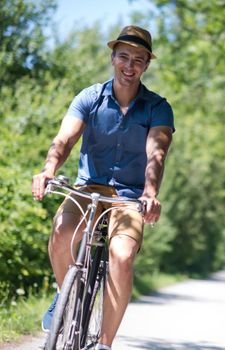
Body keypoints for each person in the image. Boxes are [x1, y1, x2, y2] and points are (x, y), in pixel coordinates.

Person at [31, 25, 174, 350]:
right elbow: (65, 140)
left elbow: (157, 153)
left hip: (130, 198)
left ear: (146, 65)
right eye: (123, 56)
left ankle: (104, 345)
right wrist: (48, 170)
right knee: (62, 231)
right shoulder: (90, 98)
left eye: (138, 59)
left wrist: (150, 192)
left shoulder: (157, 107)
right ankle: (62, 295)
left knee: (121, 257)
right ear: (113, 58)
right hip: (88, 188)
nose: (130, 65)